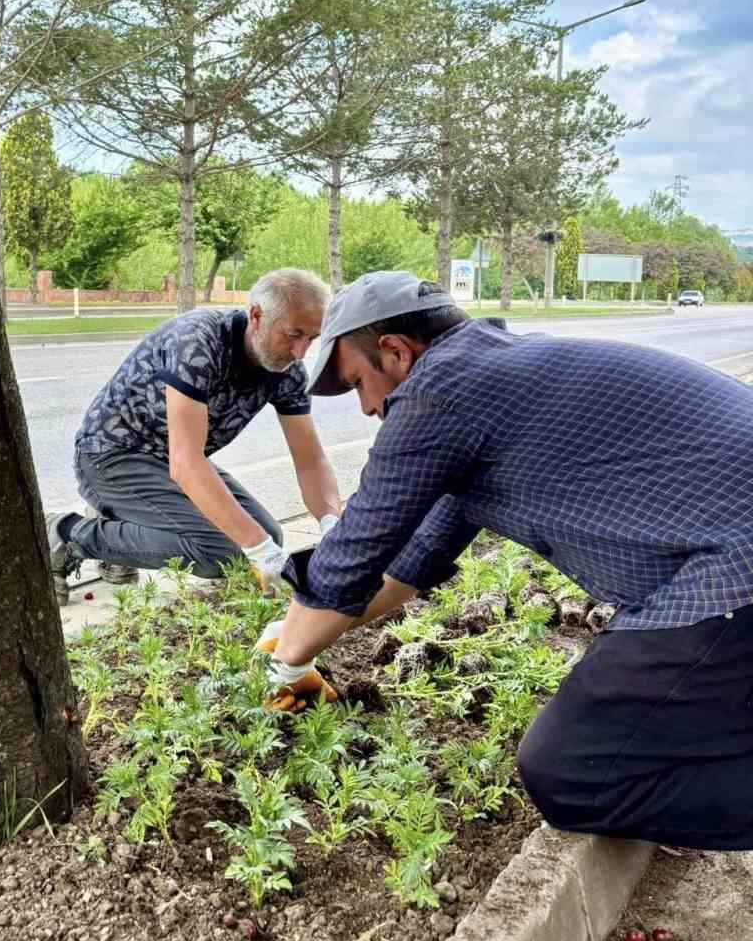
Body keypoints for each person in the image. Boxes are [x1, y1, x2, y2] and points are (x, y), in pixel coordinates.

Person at [260, 269, 753, 853]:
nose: (366, 408)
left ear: (395, 352)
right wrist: (293, 635)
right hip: (727, 559)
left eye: (358, 383)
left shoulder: (440, 390)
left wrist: (287, 664)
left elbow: (353, 550)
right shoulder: (494, 384)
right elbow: (403, 566)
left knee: (575, 772)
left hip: (731, 573)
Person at [45, 268, 342, 603]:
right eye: (293, 335)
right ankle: (66, 534)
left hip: (168, 460)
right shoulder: (199, 341)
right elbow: (186, 464)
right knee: (226, 551)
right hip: (110, 456)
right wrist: (256, 547)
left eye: (311, 339)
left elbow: (311, 460)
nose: (301, 352)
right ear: (257, 315)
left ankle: (117, 528)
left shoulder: (287, 372)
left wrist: (331, 523)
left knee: (269, 535)